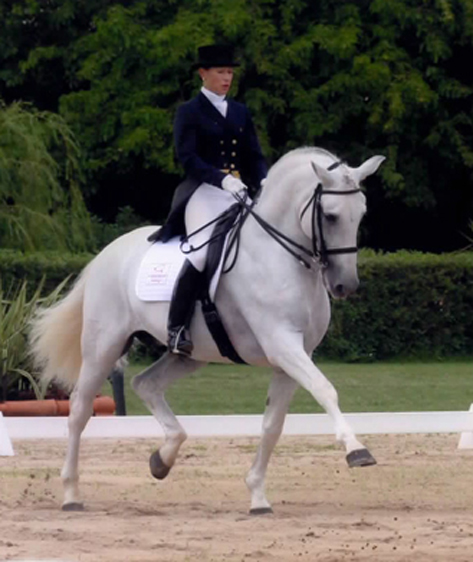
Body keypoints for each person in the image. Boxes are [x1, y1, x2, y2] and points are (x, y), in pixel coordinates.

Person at [151, 44, 268, 356]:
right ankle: (176, 327)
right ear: (203, 74)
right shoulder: (189, 112)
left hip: (238, 192)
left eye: (230, 72)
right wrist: (221, 178)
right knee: (202, 254)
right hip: (202, 192)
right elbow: (187, 158)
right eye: (220, 72)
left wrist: (265, 180)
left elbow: (253, 156)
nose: (227, 78)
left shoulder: (240, 111)